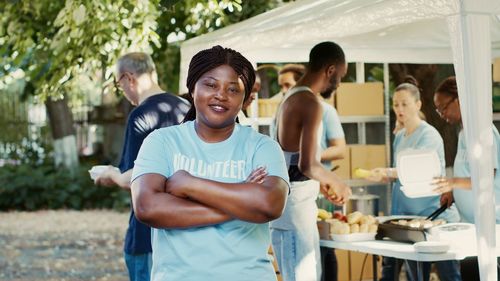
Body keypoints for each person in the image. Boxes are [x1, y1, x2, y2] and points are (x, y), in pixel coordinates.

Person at [130, 45, 290, 281]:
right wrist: (241, 201)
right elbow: (147, 207)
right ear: (192, 88)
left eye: (233, 89)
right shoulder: (162, 141)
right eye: (210, 84)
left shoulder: (262, 147)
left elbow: (269, 204)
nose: (221, 95)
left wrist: (189, 184)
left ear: (245, 99)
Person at [93, 52, 190, 281]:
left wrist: (110, 175)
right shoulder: (186, 108)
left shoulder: (141, 115)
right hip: (187, 230)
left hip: (148, 233)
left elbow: (135, 178)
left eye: (120, 84)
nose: (123, 92)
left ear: (129, 78)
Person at [270, 41, 352, 281]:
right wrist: (338, 183)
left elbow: (293, 160)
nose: (339, 83)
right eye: (341, 76)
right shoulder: (310, 102)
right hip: (295, 208)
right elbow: (308, 164)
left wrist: (323, 182)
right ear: (330, 70)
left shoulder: (290, 99)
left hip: (288, 203)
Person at [366, 79, 461, 281]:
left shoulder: (430, 135)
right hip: (409, 220)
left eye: (405, 104)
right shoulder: (399, 137)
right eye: (395, 104)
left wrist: (388, 171)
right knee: (416, 276)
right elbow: (401, 177)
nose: (399, 109)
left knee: (449, 275)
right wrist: (387, 176)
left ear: (418, 105)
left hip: (433, 217)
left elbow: (415, 171)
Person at [432, 76, 500, 280]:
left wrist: (453, 182)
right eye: (438, 110)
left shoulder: (482, 130)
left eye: (443, 107)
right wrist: (454, 191)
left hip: (490, 229)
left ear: (459, 100)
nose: (441, 114)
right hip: (471, 227)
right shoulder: (463, 133)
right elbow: (469, 174)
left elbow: (488, 175)